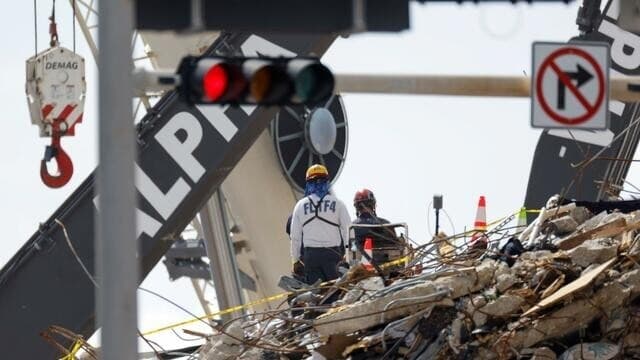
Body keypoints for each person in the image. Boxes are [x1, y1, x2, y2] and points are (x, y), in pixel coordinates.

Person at [290, 164, 351, 284]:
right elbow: (349, 231)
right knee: (336, 290)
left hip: (311, 257)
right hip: (332, 255)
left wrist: (295, 260)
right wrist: (348, 255)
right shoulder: (338, 204)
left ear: (308, 183)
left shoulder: (300, 206)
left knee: (317, 293)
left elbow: (295, 237)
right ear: (327, 182)